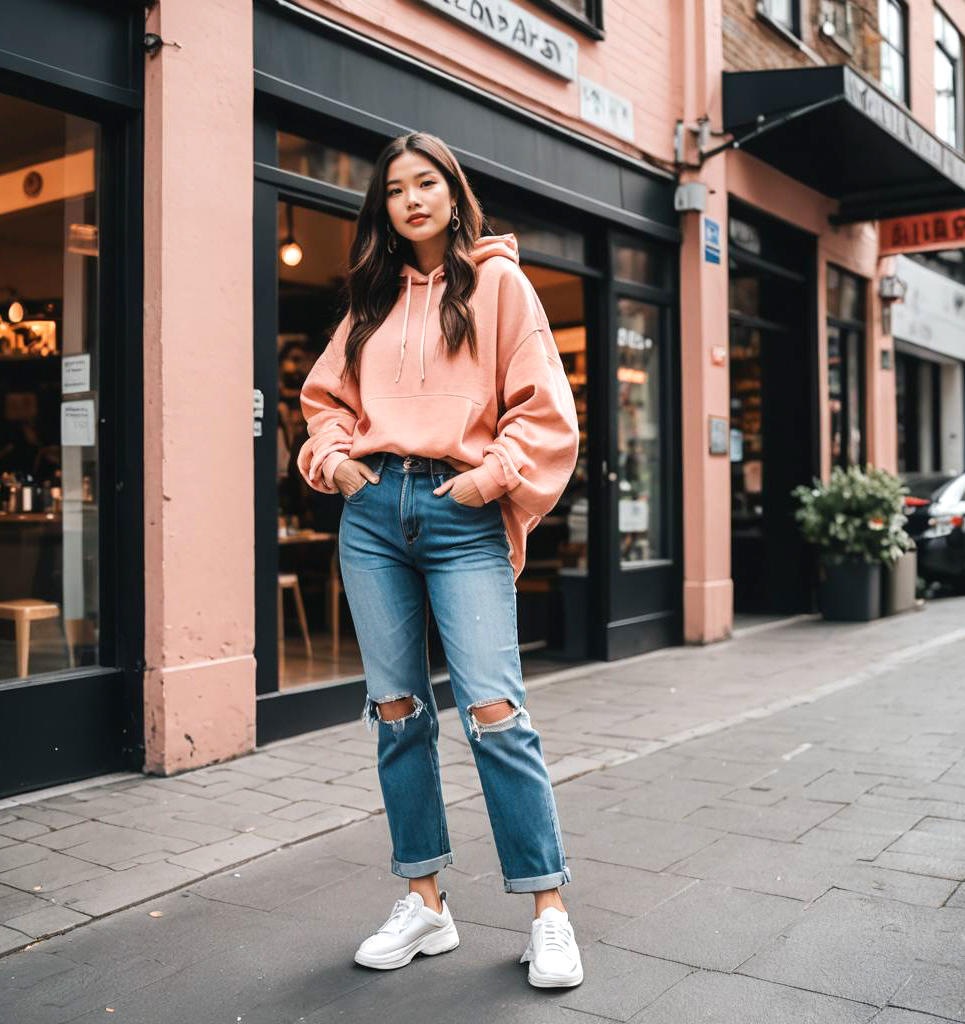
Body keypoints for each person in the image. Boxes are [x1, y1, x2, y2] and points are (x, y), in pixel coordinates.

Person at [298, 130, 582, 989]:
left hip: (462, 513)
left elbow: (545, 411)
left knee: (496, 711)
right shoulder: (372, 297)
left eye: (427, 183)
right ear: (381, 206)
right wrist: (336, 462)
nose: (412, 198)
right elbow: (323, 399)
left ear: (454, 195)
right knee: (396, 712)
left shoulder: (499, 283)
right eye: (395, 188)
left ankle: (549, 912)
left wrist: (488, 479)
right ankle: (424, 903)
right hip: (374, 512)